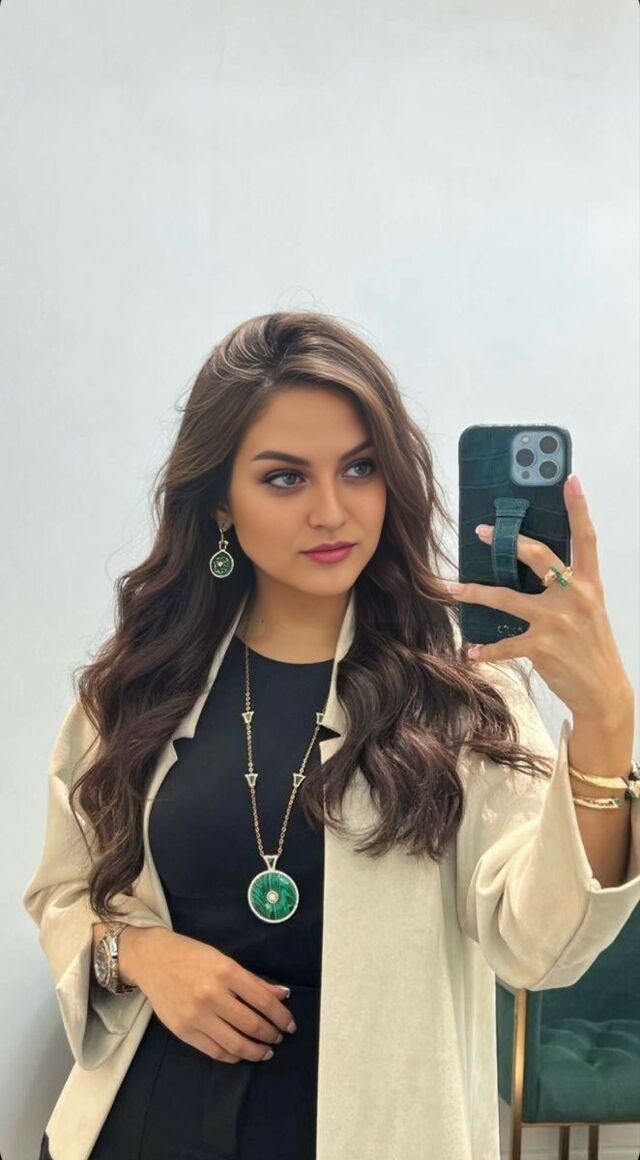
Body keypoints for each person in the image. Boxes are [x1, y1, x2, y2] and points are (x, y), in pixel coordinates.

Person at [24, 311, 640, 1160]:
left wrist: (606, 724)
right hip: (137, 1126)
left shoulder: (463, 695)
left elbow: (541, 947)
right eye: (284, 478)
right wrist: (139, 955)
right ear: (220, 504)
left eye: (359, 468)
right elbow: (64, 894)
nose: (331, 511)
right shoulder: (140, 683)